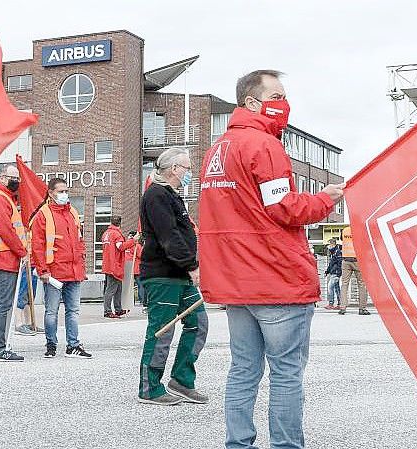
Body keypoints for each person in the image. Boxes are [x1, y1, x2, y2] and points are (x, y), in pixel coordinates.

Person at [198, 70, 344, 449]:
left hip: (237, 284)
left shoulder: (217, 150)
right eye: (276, 95)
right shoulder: (263, 146)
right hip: (276, 280)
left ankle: (238, 443)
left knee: (243, 370)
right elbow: (284, 208)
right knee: (286, 374)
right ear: (252, 101)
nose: (284, 103)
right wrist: (326, 198)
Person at [138, 148, 209, 406]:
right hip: (163, 275)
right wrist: (192, 266)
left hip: (179, 275)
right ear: (173, 168)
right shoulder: (156, 195)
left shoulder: (173, 196)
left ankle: (181, 380)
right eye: (187, 168)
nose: (190, 172)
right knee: (161, 330)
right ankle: (149, 387)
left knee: (198, 323)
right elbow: (169, 236)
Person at [31, 178, 91, 358]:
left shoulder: (72, 212)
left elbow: (79, 242)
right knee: (52, 311)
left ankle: (73, 345)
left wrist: (82, 267)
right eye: (61, 191)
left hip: (73, 271)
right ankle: (51, 344)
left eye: (66, 191)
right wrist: (42, 270)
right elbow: (38, 245)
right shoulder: (43, 214)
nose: (64, 194)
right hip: (54, 273)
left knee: (73, 311)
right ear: (51, 193)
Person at [0, 165, 28, 362]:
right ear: (2, 177)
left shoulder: (1, 198)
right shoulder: (0, 199)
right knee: (1, 304)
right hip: (4, 257)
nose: (17, 181)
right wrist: (22, 251)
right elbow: (6, 229)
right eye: (13, 177)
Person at [101, 216, 135, 318]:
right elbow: (120, 247)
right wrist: (133, 241)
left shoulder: (106, 233)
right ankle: (107, 311)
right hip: (114, 265)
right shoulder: (116, 234)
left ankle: (118, 309)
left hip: (108, 264)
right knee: (111, 289)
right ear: (120, 223)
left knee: (118, 288)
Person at [339, 226, 370, 315]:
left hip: (345, 260)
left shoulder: (344, 230)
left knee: (344, 284)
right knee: (362, 284)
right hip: (358, 260)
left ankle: (342, 308)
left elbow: (342, 240)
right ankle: (362, 309)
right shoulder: (360, 230)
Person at [324, 238, 342, 310]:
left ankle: (331, 303)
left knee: (330, 287)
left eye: (328, 245)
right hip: (333, 272)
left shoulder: (337, 252)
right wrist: (327, 271)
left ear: (332, 244)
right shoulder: (333, 252)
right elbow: (331, 264)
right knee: (337, 289)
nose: (328, 247)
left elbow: (340, 263)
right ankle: (340, 304)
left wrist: (338, 273)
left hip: (335, 273)